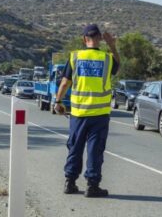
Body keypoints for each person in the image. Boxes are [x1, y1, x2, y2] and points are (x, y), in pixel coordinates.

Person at [54, 24, 120, 197]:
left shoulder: (75, 57)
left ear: (84, 39)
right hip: (99, 115)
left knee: (75, 147)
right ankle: (92, 186)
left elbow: (64, 82)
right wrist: (112, 45)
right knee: (94, 150)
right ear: (99, 38)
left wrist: (58, 101)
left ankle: (69, 182)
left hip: (78, 114)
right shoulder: (107, 58)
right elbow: (117, 67)